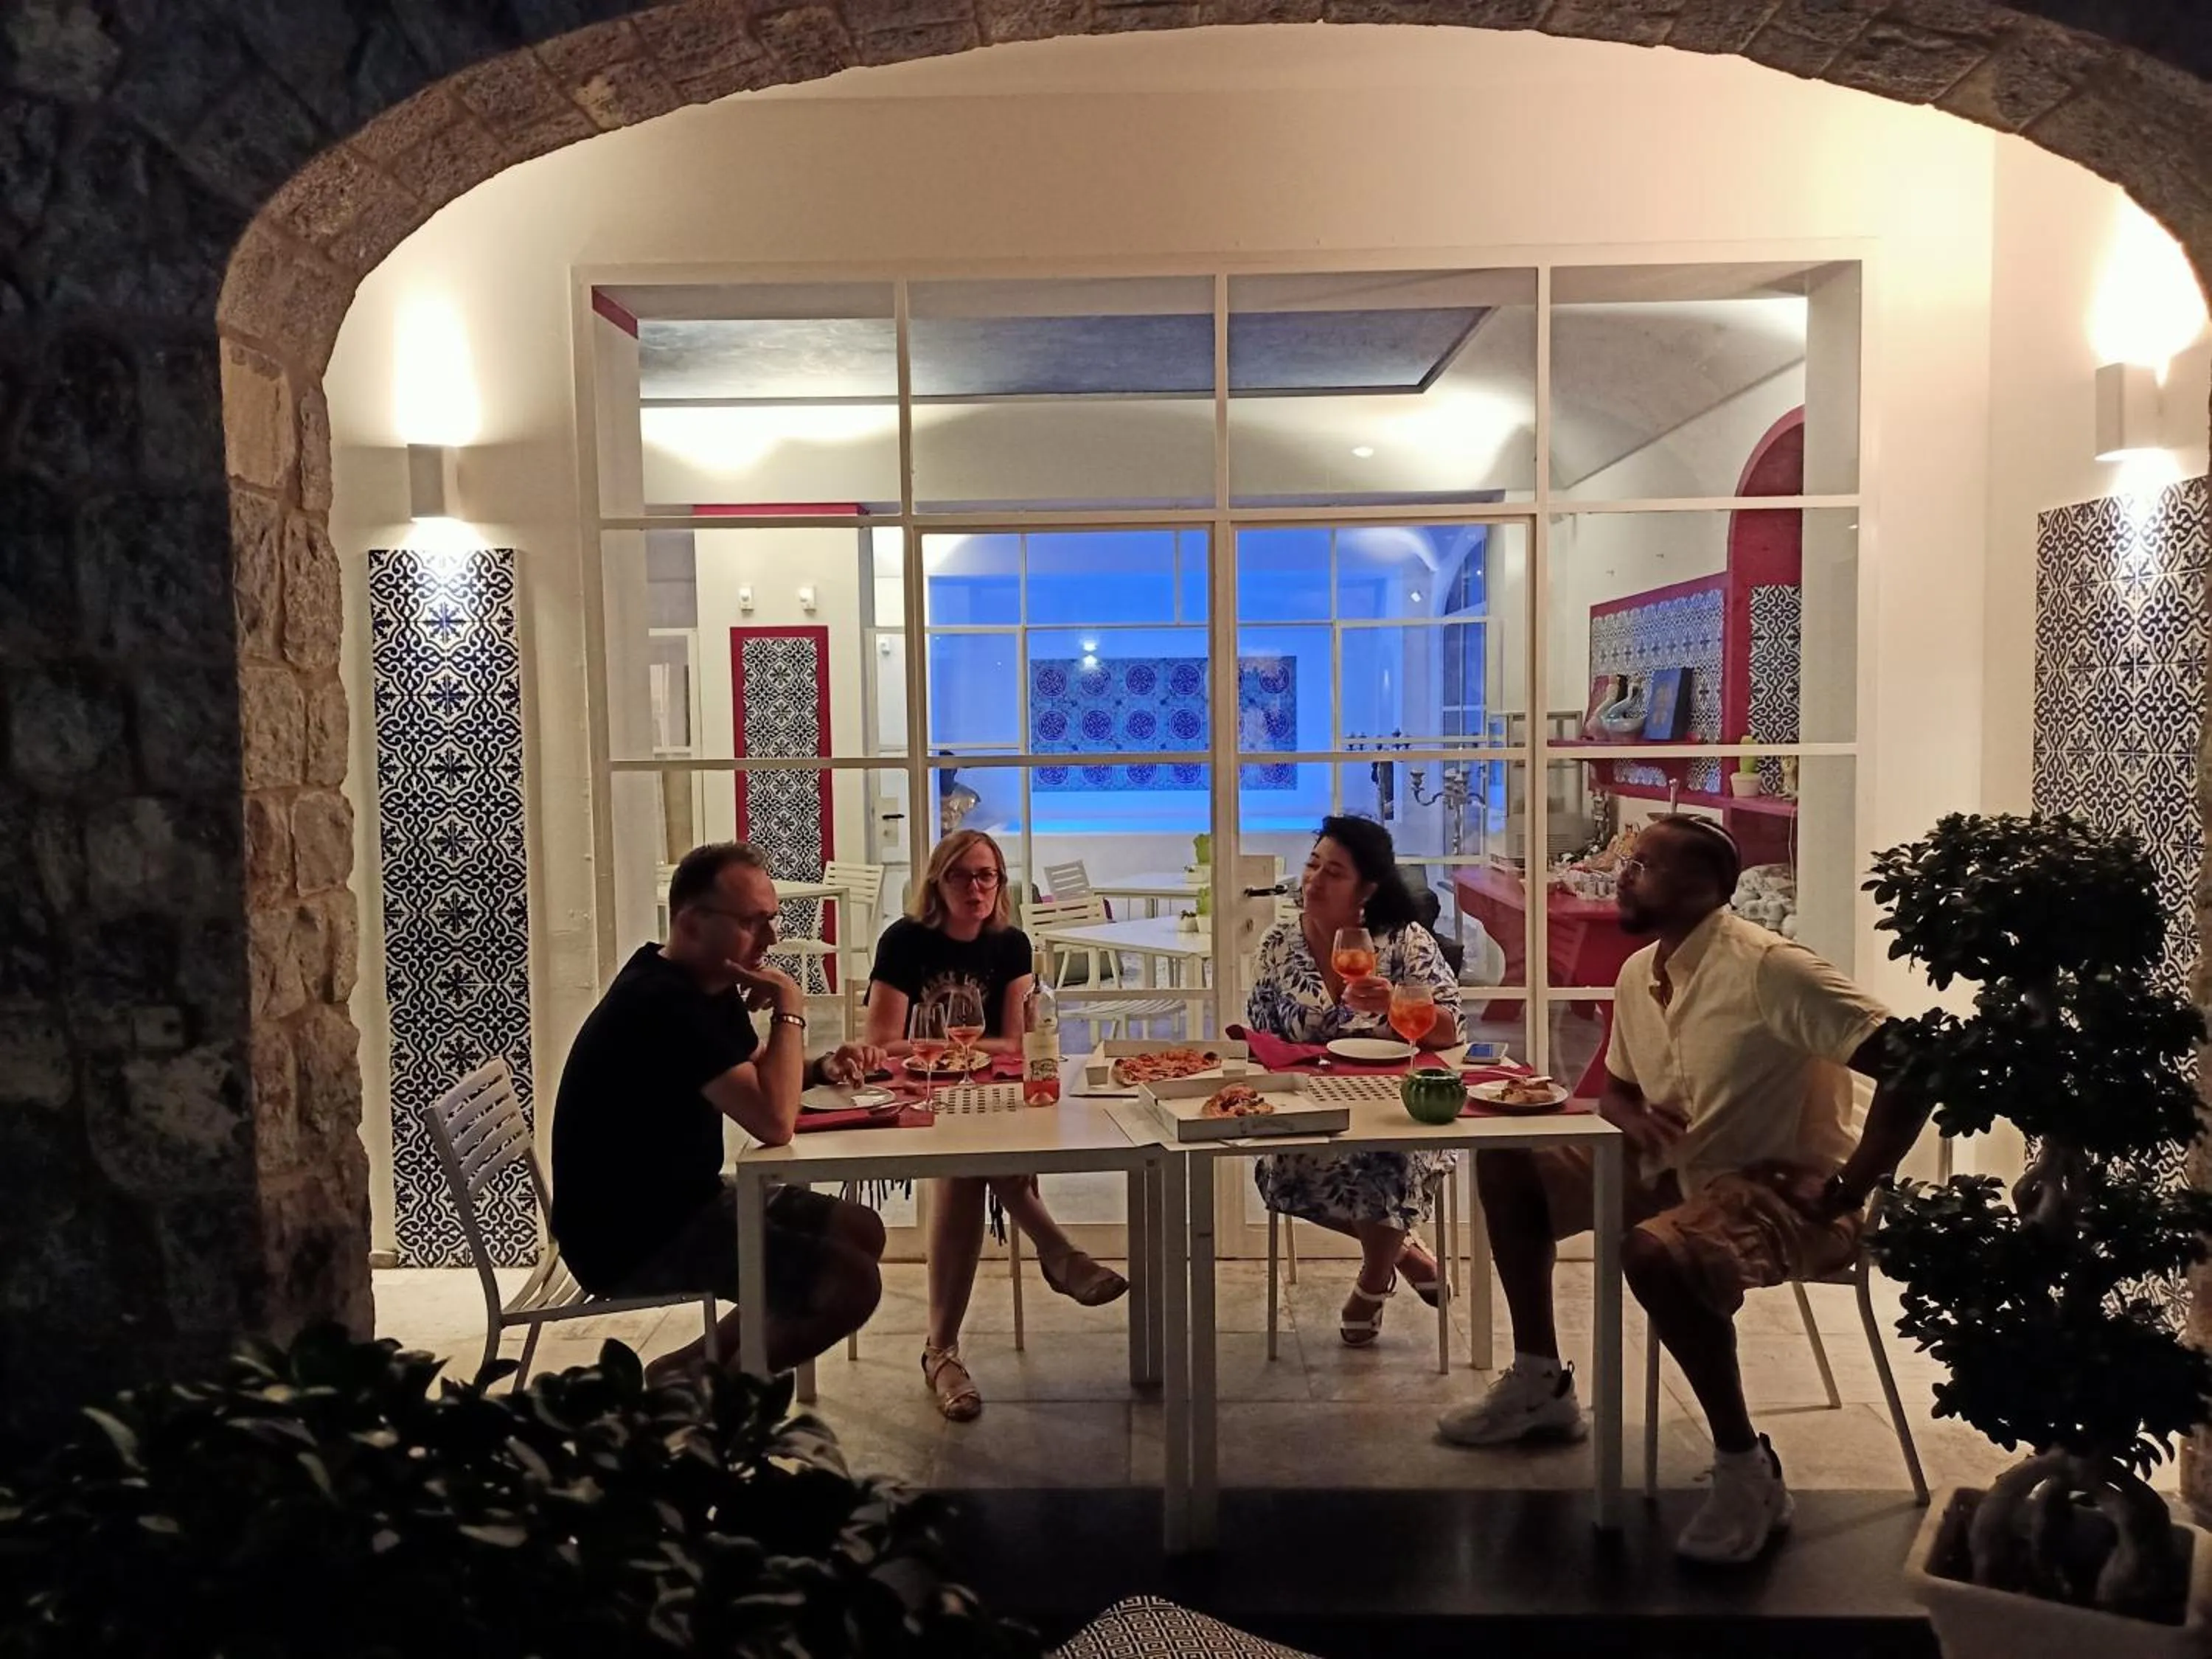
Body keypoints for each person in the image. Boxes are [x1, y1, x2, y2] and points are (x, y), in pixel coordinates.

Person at [1438, 814, 1927, 1567]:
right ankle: (1542, 1384)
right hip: (1677, 1171)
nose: (1624, 874)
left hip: (1781, 1193)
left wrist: (1849, 1186)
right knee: (1509, 1161)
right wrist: (1633, 1114)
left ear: (1706, 888)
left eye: (1646, 865)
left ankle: (1746, 1466)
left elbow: (1913, 1063)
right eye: (1630, 861)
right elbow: (1616, 1096)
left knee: (1657, 1254)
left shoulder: (1771, 967)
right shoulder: (1643, 972)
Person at [549, 841, 888, 1386]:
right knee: (850, 1284)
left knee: (862, 1229)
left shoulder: (703, 981)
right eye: (752, 922)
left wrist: (823, 1065)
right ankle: (712, 1401)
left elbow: (755, 1068)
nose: (772, 939)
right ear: (690, 923)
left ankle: (688, 1369)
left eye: (771, 921)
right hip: (631, 1236)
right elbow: (774, 1121)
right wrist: (790, 1006)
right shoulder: (662, 1004)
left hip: (683, 1200)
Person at [866, 830, 1128, 1422]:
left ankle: (942, 1353)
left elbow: (1016, 1041)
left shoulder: (1011, 944)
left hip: (989, 1089)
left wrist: (950, 1044)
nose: (977, 888)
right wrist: (950, 1047)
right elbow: (881, 1044)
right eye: (962, 876)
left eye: (988, 876)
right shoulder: (905, 941)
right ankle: (1058, 1254)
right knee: (968, 1164)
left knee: (971, 1167)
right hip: (919, 1092)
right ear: (938, 882)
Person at [1247, 816, 1465, 1347]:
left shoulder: (1402, 941)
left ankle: (1372, 1283)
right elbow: (1260, 1034)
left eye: (1334, 872)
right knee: (1282, 1175)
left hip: (1394, 1102)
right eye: (1313, 864)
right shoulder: (1280, 943)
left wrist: (1394, 1000)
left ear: (1366, 889)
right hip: (1308, 1101)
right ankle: (1406, 1254)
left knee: (1384, 1162)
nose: (1314, 881)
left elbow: (1450, 1028)